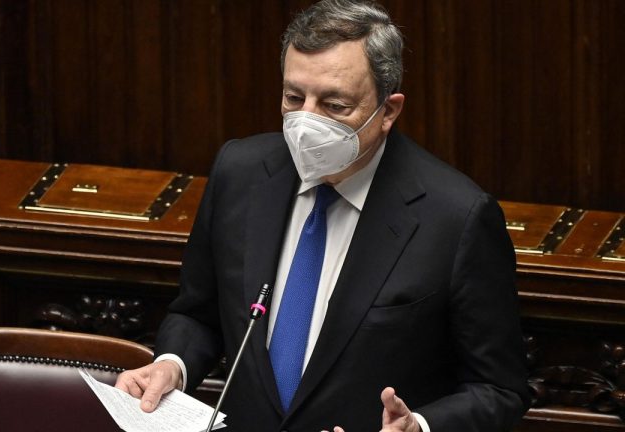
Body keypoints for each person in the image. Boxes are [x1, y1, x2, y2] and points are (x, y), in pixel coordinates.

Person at [115, 0, 530, 430]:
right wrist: (172, 364)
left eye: (334, 105)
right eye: (294, 98)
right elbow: (198, 314)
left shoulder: (457, 217)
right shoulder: (239, 172)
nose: (306, 122)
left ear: (388, 111)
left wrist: (419, 427)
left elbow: (500, 389)